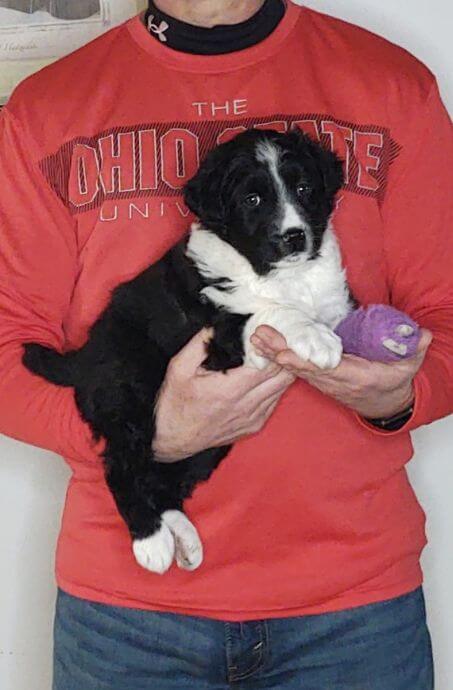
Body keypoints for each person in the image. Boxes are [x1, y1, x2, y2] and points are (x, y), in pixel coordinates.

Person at [0, 1, 451, 688]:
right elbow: (8, 350)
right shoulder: (46, 109)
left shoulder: (390, 84)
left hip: (353, 610)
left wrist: (402, 396)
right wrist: (141, 437)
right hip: (128, 617)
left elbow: (443, 319)